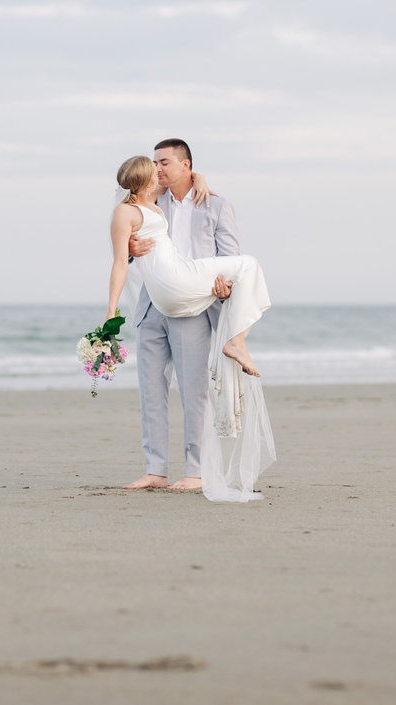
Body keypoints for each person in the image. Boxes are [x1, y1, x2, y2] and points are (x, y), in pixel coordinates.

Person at [107, 150, 274, 502]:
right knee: (150, 391)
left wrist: (225, 288)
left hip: (192, 305)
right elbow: (127, 242)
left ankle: (196, 471)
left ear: (186, 165)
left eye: (164, 162)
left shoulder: (213, 204)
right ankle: (155, 470)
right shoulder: (152, 200)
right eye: (154, 164)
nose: (158, 169)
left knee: (193, 392)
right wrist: (133, 248)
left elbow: (228, 251)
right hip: (151, 307)